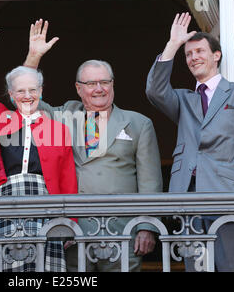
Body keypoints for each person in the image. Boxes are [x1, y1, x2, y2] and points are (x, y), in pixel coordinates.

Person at [24, 19, 163, 272]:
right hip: (74, 233)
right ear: (79, 89)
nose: (99, 89)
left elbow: (150, 180)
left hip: (123, 232)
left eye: (105, 82)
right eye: (91, 83)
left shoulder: (139, 123)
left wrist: (146, 227)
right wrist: (33, 57)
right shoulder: (64, 114)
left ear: (112, 84)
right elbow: (27, 102)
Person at [145, 13, 234, 271]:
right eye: (189, 54)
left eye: (200, 51)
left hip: (231, 198)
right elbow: (154, 90)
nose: (193, 58)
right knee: (197, 268)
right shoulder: (184, 100)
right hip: (189, 199)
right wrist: (173, 45)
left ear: (217, 55)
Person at [0, 16, 78, 272]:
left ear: (41, 91)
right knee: (10, 269)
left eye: (33, 90)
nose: (27, 96)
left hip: (45, 203)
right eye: (20, 91)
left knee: (45, 270)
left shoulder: (57, 129)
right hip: (7, 200)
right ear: (11, 95)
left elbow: (67, 177)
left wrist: (70, 221)